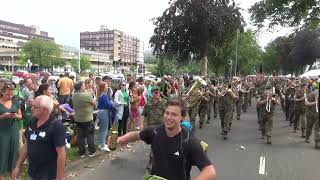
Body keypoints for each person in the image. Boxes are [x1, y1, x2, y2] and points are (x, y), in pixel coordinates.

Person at [117, 99, 216, 180]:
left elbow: (210, 171)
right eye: (167, 113)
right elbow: (136, 135)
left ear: (182, 117)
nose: (169, 117)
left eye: (174, 114)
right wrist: (119, 139)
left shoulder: (189, 141)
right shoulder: (155, 131)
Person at [12, 95, 66, 180]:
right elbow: (27, 145)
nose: (31, 108)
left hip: (49, 175)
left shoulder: (56, 126)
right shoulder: (32, 121)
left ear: (45, 110)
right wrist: (18, 166)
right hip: (33, 173)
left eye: (35, 107)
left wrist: (59, 177)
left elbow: (61, 154)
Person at [0, 82, 23, 180]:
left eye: (12, 94)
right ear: (2, 92)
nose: (10, 96)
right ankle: (1, 174)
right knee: (2, 152)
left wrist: (16, 116)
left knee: (14, 152)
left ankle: (13, 174)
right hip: (2, 131)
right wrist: (3, 116)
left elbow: (21, 116)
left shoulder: (16, 101)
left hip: (13, 130)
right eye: (8, 94)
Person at [72, 81, 97, 157]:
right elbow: (94, 104)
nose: (84, 86)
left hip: (78, 118)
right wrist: (95, 98)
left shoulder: (74, 95)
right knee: (89, 135)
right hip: (87, 118)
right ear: (80, 87)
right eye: (83, 85)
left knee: (80, 136)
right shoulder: (86, 95)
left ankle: (82, 152)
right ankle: (91, 151)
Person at [97, 82, 112, 152]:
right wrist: (111, 103)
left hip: (100, 112)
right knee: (104, 129)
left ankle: (100, 143)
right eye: (106, 86)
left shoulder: (100, 95)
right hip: (104, 112)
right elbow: (108, 105)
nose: (107, 87)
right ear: (103, 88)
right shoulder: (104, 95)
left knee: (101, 129)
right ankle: (102, 145)